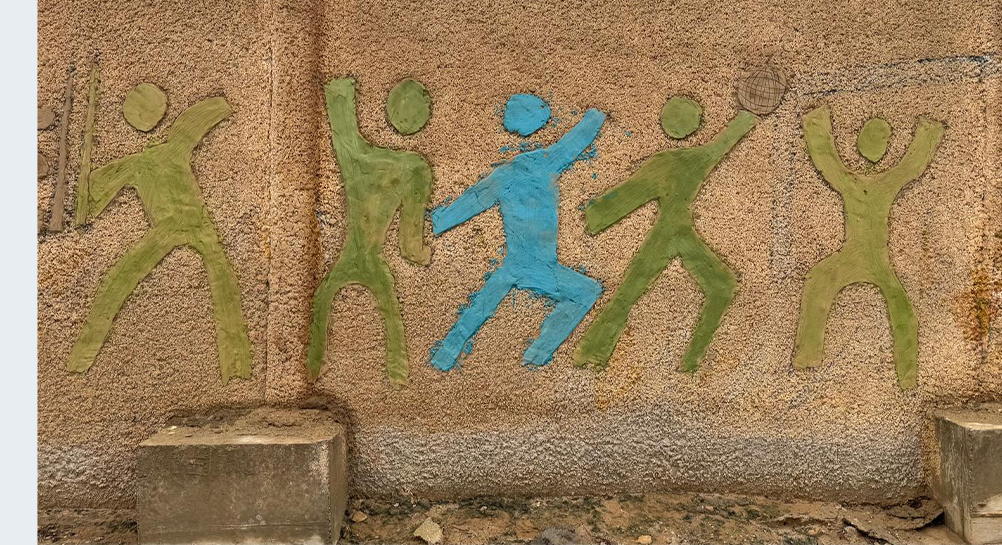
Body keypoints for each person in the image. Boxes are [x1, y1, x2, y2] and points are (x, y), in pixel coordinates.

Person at [68, 86, 251, 382]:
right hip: (191, 225)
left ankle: (80, 359)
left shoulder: (140, 162)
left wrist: (85, 198)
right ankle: (238, 367)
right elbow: (198, 118)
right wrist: (222, 106)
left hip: (177, 227)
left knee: (120, 278)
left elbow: (95, 192)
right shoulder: (167, 150)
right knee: (221, 279)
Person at [575, 97, 755, 372]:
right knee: (721, 286)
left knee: (630, 292)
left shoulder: (666, 162)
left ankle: (596, 351)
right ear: (695, 124)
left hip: (671, 233)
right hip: (674, 234)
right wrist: (746, 118)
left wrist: (596, 215)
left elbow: (628, 195)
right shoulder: (692, 159)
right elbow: (721, 145)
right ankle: (689, 361)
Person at [430, 94, 605, 370]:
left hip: (516, 264)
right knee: (588, 291)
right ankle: (536, 355)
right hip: (541, 266)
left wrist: (439, 221)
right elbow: (576, 141)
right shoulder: (545, 162)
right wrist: (595, 117)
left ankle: (445, 355)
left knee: (480, 307)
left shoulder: (504, 175)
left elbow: (472, 201)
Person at [792, 106, 944, 390]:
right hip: (854, 256)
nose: (874, 144)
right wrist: (929, 133)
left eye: (881, 138)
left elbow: (909, 167)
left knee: (899, 308)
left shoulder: (875, 182)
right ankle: (807, 356)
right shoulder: (861, 182)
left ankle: (907, 376)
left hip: (875, 262)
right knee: (820, 283)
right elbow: (829, 161)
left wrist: (929, 133)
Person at [307, 77, 434, 387]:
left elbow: (341, 119)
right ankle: (398, 377)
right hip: (374, 258)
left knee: (323, 298)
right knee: (389, 311)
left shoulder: (357, 155)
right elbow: (409, 246)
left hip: (349, 252)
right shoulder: (415, 169)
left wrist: (341, 88)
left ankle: (312, 369)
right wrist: (422, 254)